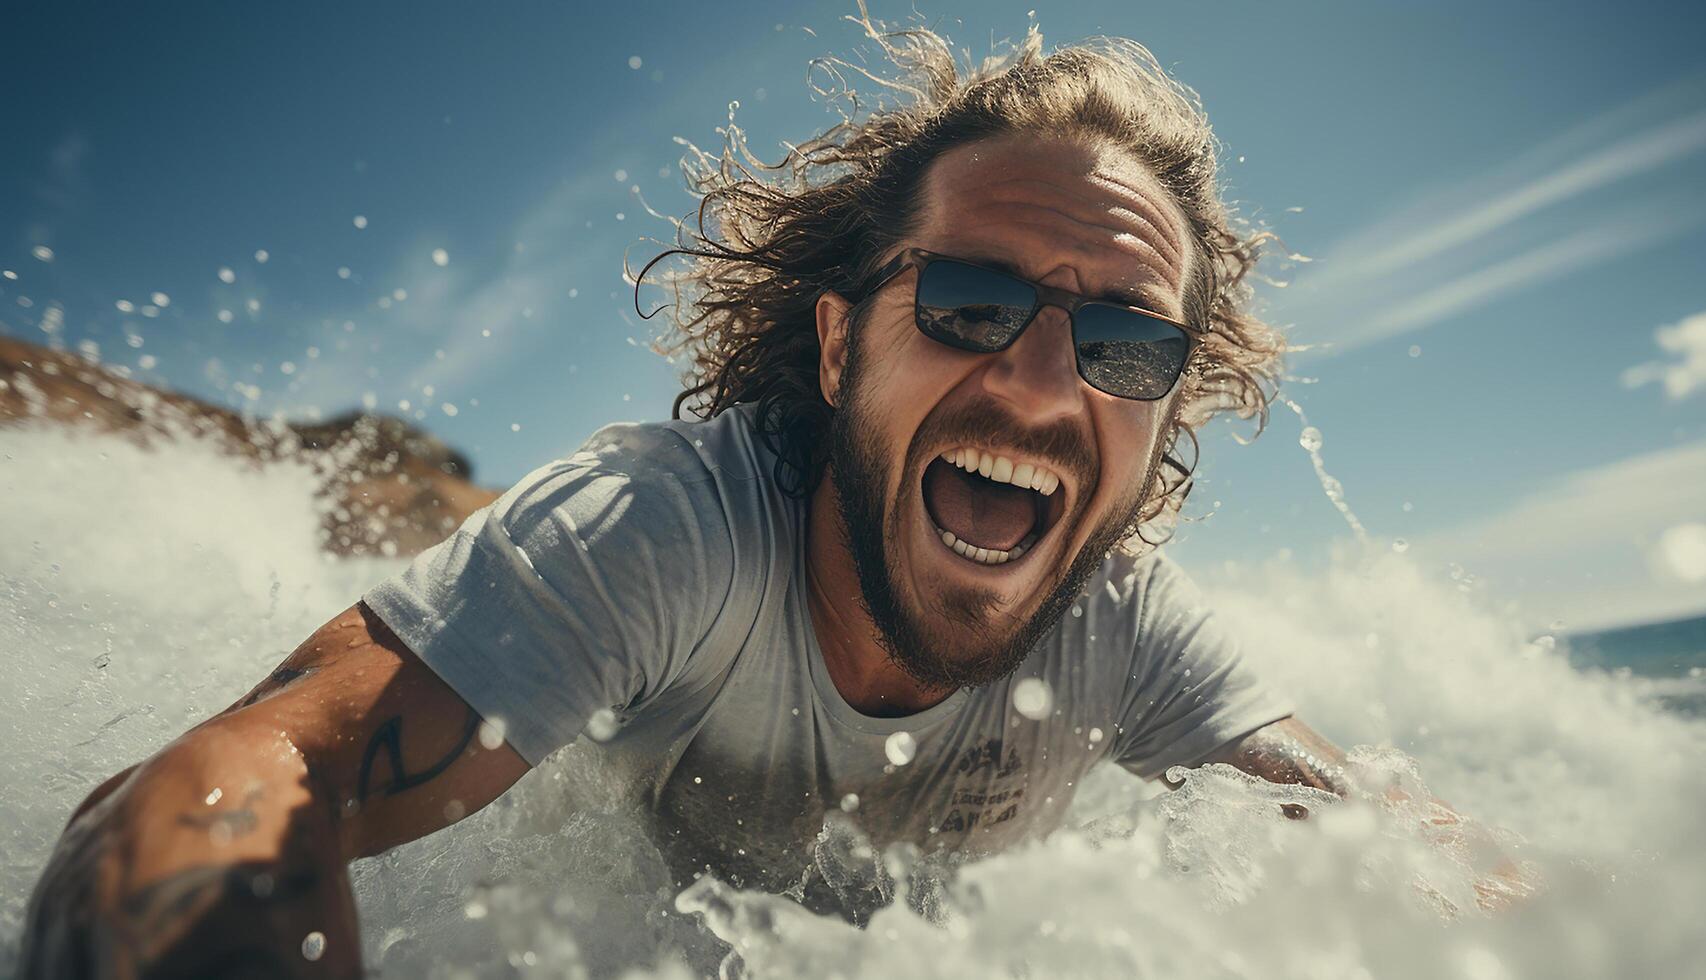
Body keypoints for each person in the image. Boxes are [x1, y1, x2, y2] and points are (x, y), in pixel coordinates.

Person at [21, 19, 1421, 978]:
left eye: (1128, 343)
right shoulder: (664, 533)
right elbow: (252, 780)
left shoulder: (1127, 626)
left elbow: (1389, 843)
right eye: (974, 300)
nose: (1050, 384)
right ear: (836, 344)